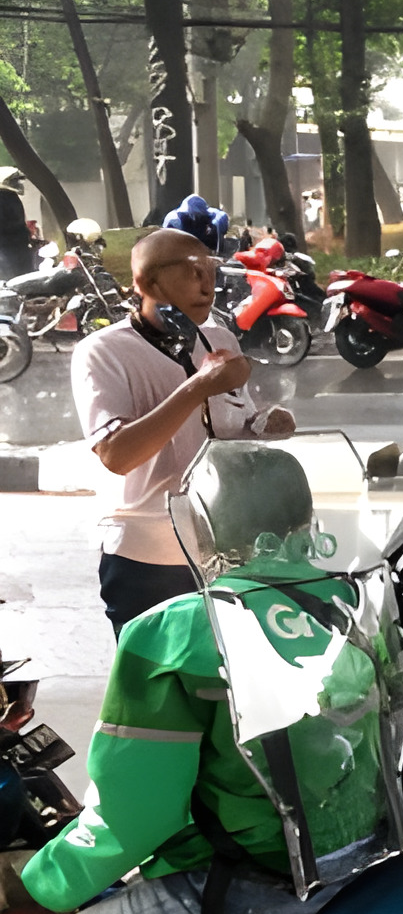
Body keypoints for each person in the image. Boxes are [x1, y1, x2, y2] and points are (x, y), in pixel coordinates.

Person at [0, 443, 403, 914]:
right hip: (358, 863)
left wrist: (36, 882)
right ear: (304, 521)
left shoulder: (176, 633)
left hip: (249, 896)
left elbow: (137, 816)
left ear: (206, 527)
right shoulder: (352, 603)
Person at [71, 229, 296, 635]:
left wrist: (262, 424)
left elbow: (228, 428)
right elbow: (117, 455)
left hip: (227, 547)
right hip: (148, 558)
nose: (207, 285)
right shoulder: (103, 352)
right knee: (159, 690)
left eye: (210, 270)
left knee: (231, 687)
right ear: (146, 283)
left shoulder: (219, 339)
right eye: (191, 273)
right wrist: (199, 386)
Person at [162, 193, 230, 254]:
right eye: (193, 216)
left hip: (204, 247)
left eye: (199, 216)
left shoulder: (214, 216)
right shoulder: (174, 219)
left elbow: (221, 217)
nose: (195, 218)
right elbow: (167, 245)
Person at [0, 167, 35, 279]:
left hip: (19, 245)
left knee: (27, 279)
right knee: (11, 281)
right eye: (13, 181)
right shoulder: (3, 198)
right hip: (5, 248)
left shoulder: (11, 196)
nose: (16, 183)